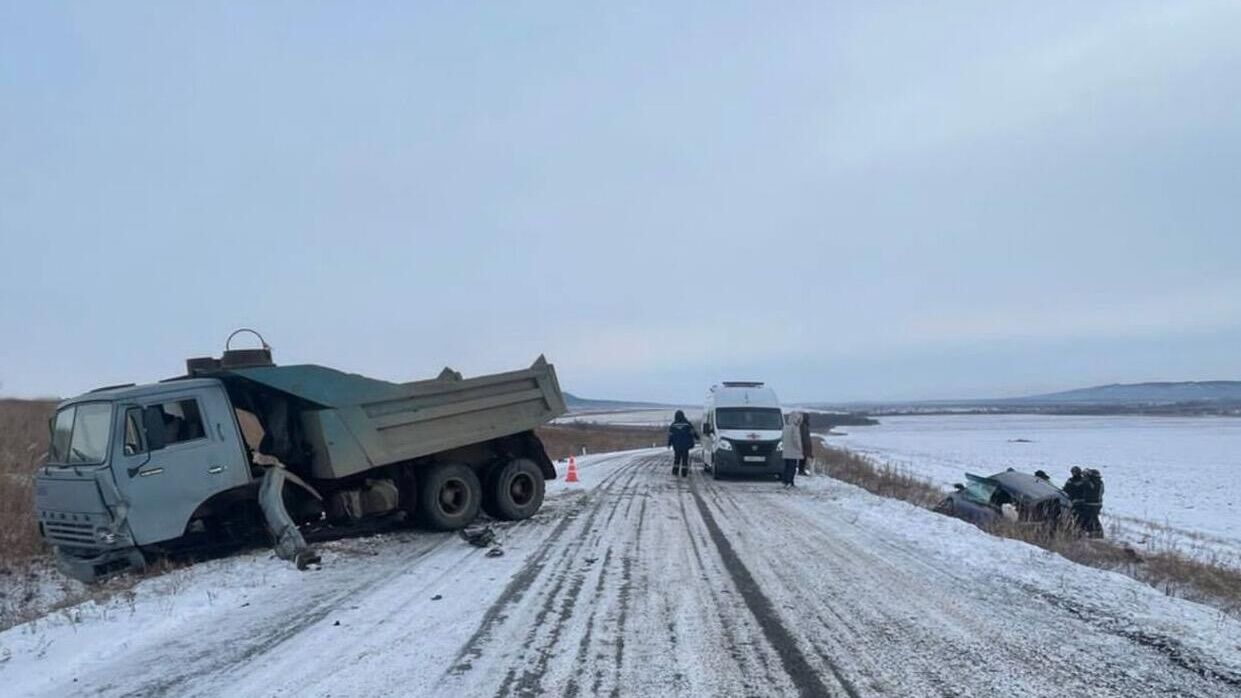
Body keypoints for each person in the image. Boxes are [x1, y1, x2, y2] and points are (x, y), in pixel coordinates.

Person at [666, 410, 699, 478]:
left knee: (677, 458)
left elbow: (670, 435)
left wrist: (669, 444)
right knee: (685, 459)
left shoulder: (673, 425)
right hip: (685, 445)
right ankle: (684, 472)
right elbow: (693, 432)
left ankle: (675, 471)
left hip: (677, 445)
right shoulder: (687, 424)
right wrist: (697, 438)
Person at [781, 411, 805, 487]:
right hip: (793, 451)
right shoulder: (795, 428)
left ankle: (785, 481)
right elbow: (796, 440)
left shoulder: (785, 427)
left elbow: (782, 438)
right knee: (792, 467)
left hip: (786, 450)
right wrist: (800, 448)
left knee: (787, 466)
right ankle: (790, 481)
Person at [1062, 466, 1088, 532]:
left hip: (1078, 502)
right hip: (1077, 502)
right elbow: (1066, 489)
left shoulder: (1073, 481)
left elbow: (1066, 489)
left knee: (1078, 518)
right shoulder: (1083, 480)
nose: (1074, 473)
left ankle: (1078, 530)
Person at [1081, 468, 1105, 538]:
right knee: (1093, 518)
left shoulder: (1093, 483)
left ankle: (1097, 533)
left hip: (1091, 504)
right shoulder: (1100, 483)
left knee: (1092, 519)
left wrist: (1085, 477)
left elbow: (1088, 485)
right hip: (1098, 504)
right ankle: (1095, 532)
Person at [798, 411, 814, 475]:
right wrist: (806, 446)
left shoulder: (804, 425)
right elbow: (804, 436)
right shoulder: (804, 426)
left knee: (803, 458)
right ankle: (801, 470)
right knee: (803, 458)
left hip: (805, 444)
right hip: (805, 445)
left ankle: (801, 470)